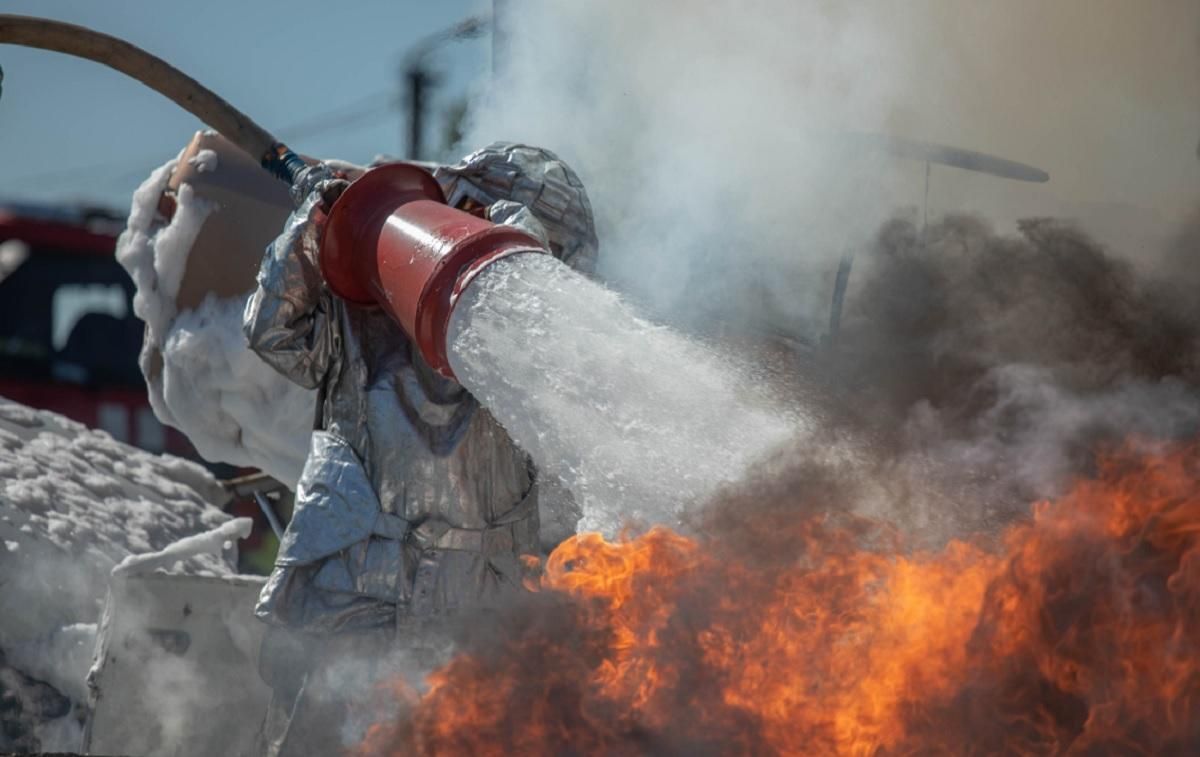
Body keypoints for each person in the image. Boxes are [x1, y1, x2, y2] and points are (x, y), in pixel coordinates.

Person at [243, 142, 597, 755]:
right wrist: (314, 230)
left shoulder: (536, 341)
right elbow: (273, 334)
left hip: (472, 620)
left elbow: (561, 393)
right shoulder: (362, 297)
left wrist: (506, 253)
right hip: (354, 596)